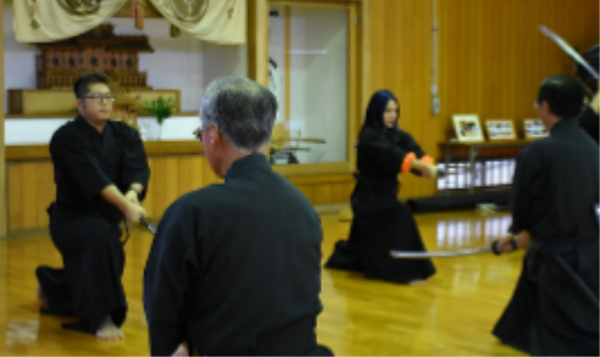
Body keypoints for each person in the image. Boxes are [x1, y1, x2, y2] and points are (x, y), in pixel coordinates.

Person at [144, 77, 334, 357]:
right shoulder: (302, 206)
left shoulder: (192, 212)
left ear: (213, 133)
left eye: (200, 133)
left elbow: (163, 317)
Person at [36, 72, 149, 341]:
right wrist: (126, 207)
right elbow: (95, 179)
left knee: (105, 259)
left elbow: (138, 169)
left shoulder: (125, 134)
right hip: (72, 220)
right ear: (80, 103)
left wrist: (132, 195)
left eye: (108, 96)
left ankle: (52, 284)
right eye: (96, 97)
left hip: (106, 219)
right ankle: (104, 317)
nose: (104, 102)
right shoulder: (66, 137)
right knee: (100, 242)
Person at [493, 75, 600, 356]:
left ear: (545, 107)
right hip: (592, 254)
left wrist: (517, 233)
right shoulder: (594, 148)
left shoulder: (536, 153)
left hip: (558, 260)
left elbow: (521, 210)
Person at [325, 90, 438, 284]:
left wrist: (427, 165)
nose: (392, 115)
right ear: (377, 111)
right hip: (368, 199)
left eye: (395, 111)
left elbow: (415, 151)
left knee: (359, 246)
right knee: (402, 215)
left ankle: (347, 257)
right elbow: (395, 155)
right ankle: (406, 271)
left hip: (386, 196)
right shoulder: (369, 136)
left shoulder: (397, 135)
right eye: (387, 111)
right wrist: (421, 166)